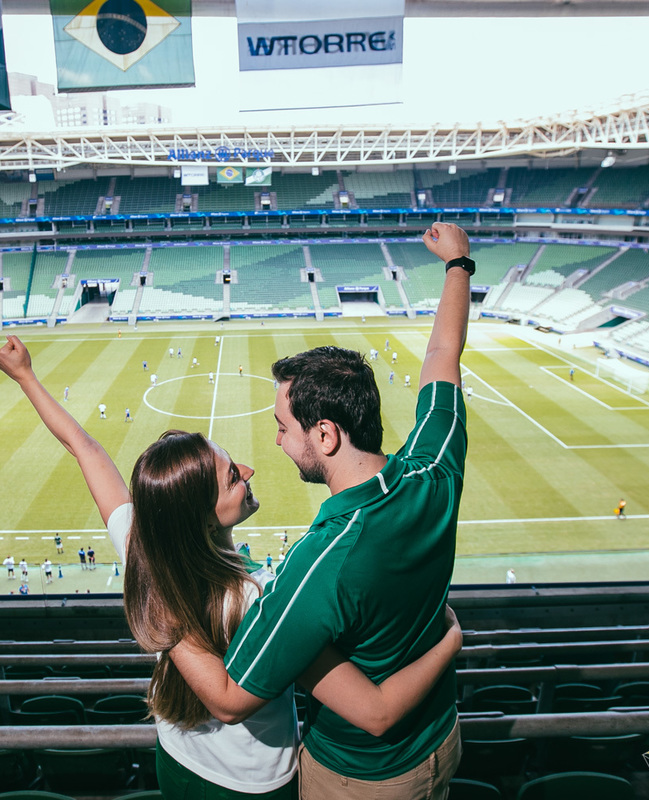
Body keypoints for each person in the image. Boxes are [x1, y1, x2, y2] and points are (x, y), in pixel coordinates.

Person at [0, 334, 463, 799]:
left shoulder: (147, 550)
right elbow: (370, 708)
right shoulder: (265, 594)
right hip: (255, 783)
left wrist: (26, 377)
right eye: (233, 477)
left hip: (176, 762)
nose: (249, 470)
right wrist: (449, 641)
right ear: (203, 515)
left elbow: (85, 449)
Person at [198, 222, 474, 799]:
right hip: (443, 742)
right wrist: (458, 265)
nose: (276, 440)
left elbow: (229, 699)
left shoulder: (321, 560)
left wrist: (161, 611)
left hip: (361, 777)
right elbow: (443, 354)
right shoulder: (435, 469)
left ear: (324, 434)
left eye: (283, 426)